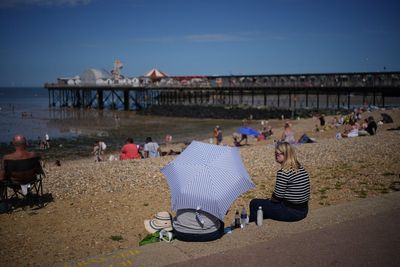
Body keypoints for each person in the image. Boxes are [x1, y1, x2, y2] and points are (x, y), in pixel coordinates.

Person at [249, 141, 310, 222]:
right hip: (303, 209)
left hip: (292, 212)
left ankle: (251, 225)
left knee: (254, 203)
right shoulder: (300, 168)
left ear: (287, 154)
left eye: (279, 154)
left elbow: (277, 197)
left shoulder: (284, 172)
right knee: (266, 204)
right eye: (275, 153)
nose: (276, 155)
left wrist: (270, 200)